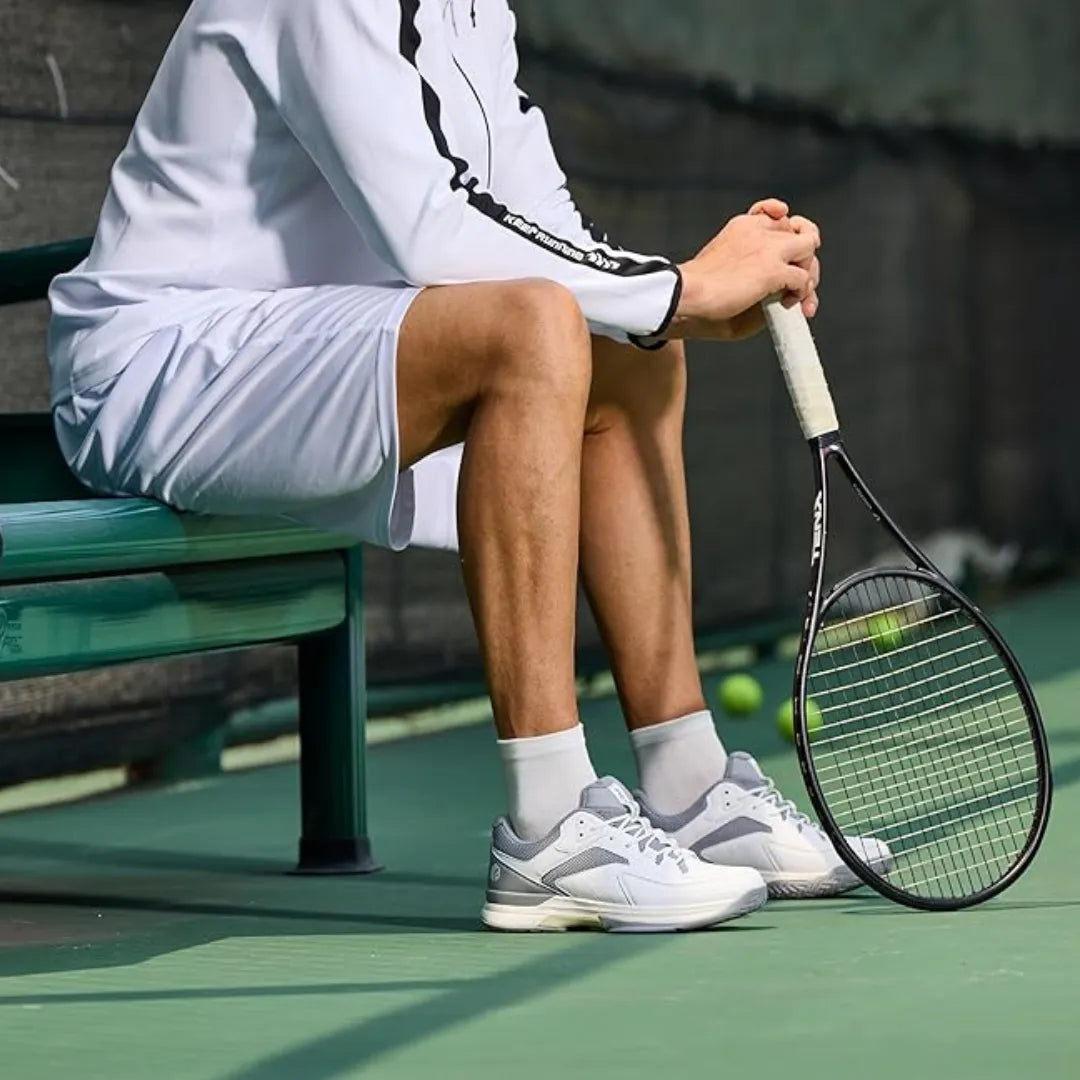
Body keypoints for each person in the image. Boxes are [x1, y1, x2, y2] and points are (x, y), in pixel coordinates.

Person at [48, 0, 889, 932]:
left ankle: (689, 786)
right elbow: (430, 230)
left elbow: (539, 220)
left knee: (631, 348)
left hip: (296, 349)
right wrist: (677, 288)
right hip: (159, 364)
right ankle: (548, 829)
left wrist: (675, 300)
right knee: (541, 324)